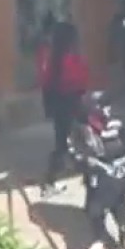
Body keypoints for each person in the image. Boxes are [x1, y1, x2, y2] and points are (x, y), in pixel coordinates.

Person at [66, 92, 125, 249]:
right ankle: (99, 238)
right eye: (100, 107)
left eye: (107, 106)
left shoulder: (121, 122)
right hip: (97, 175)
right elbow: (72, 147)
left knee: (121, 210)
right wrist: (85, 160)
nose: (105, 111)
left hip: (119, 173)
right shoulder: (81, 126)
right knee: (95, 210)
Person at [36, 20, 90, 186]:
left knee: (61, 137)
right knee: (80, 137)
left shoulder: (48, 56)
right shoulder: (71, 59)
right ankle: (78, 169)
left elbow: (43, 78)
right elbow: (82, 79)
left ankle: (55, 172)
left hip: (55, 100)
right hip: (72, 100)